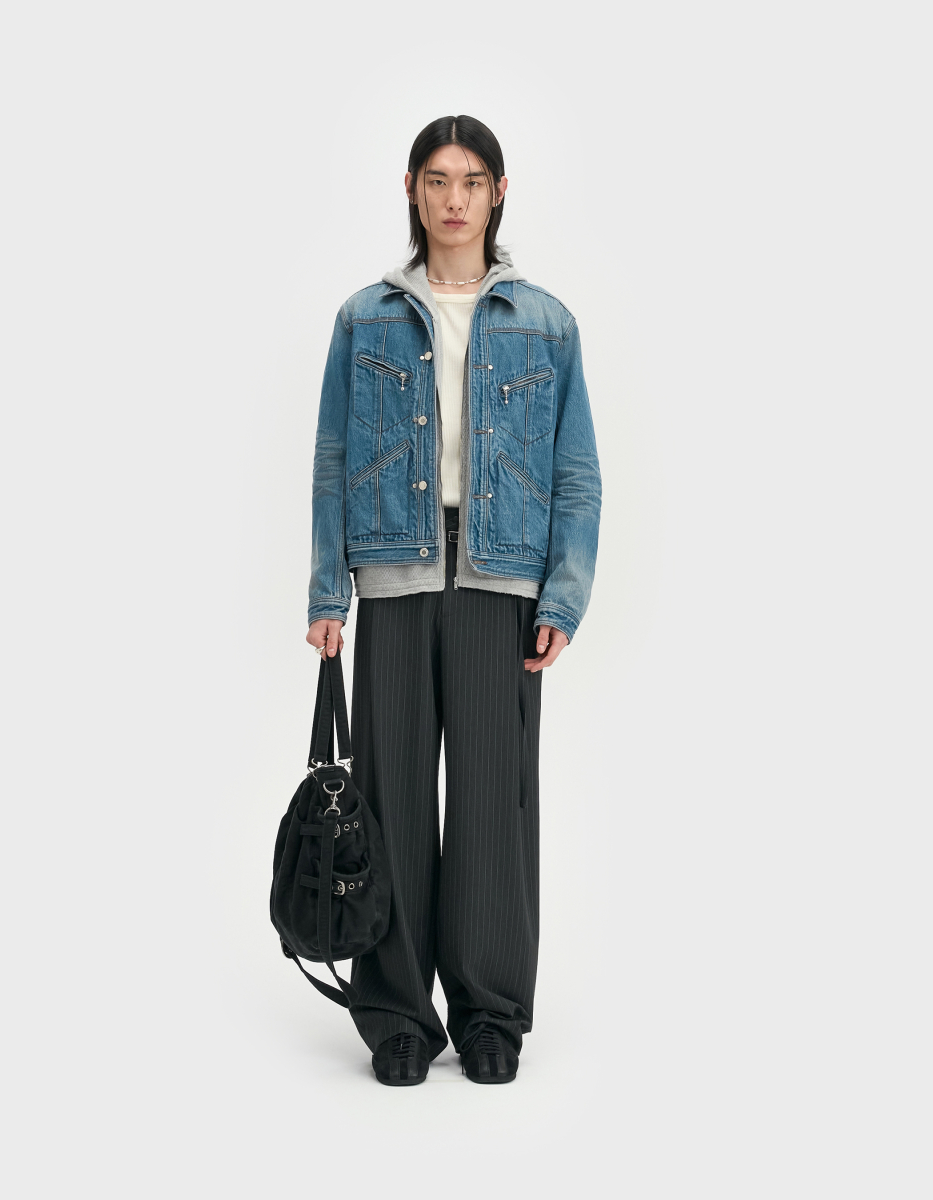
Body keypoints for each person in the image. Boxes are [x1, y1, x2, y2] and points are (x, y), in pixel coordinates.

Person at [306, 115, 601, 1085]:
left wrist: (562, 595)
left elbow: (576, 474)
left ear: (499, 192)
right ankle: (397, 1014)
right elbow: (333, 459)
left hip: (499, 579)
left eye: (472, 180)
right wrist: (328, 591)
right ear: (412, 189)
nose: (455, 198)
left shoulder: (547, 324)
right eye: (437, 179)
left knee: (491, 806)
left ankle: (489, 1015)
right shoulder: (365, 318)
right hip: (395, 573)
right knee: (389, 798)